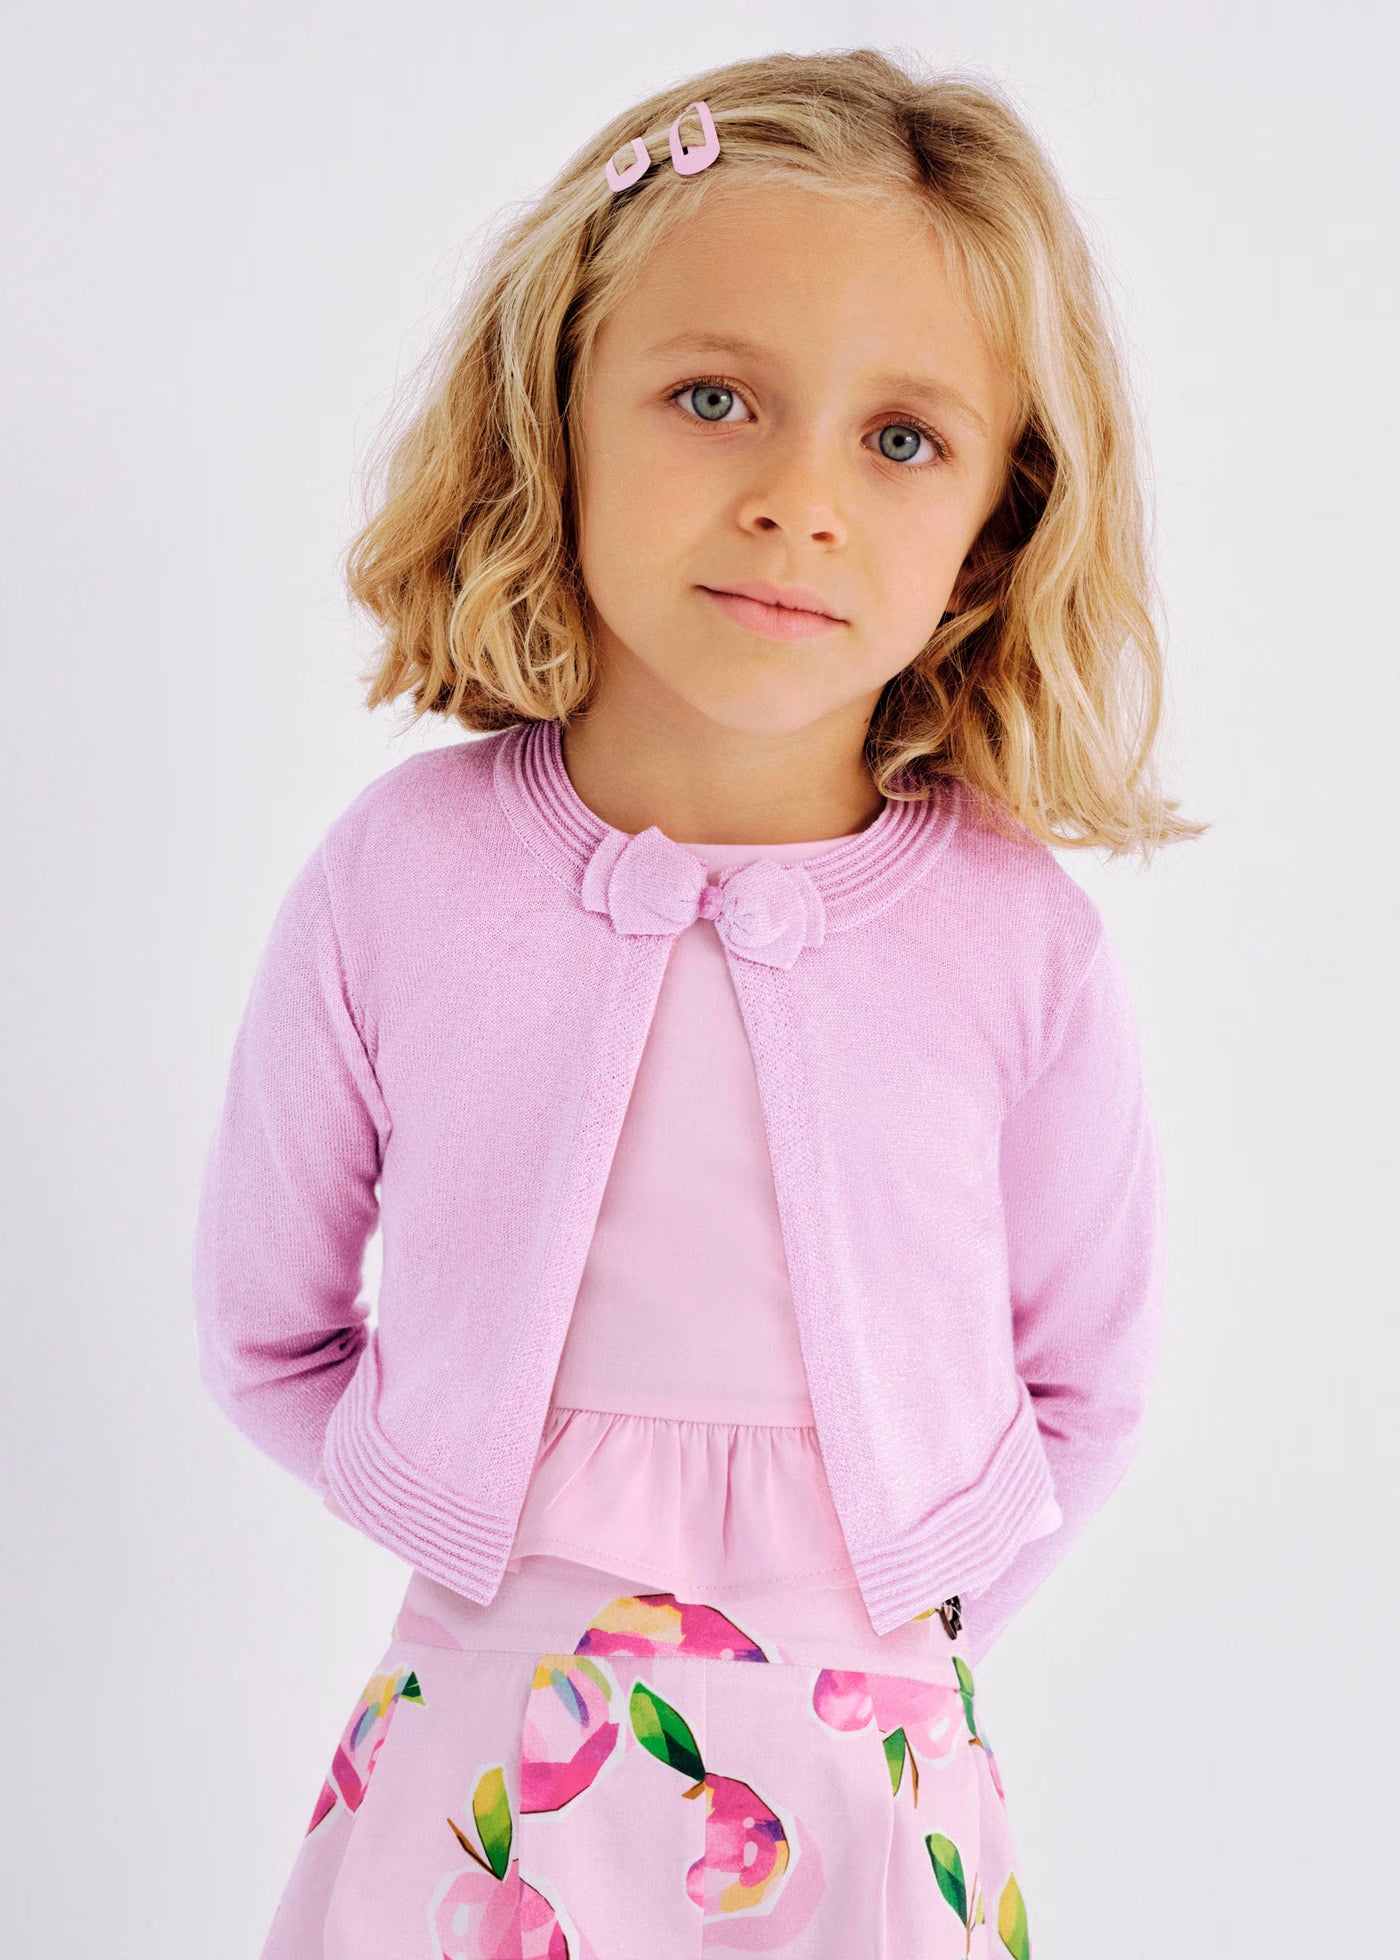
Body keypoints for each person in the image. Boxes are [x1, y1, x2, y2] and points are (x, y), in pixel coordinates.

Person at [192, 47, 1201, 1957]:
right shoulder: (400, 880)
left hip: (873, 1779)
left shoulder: (1018, 942)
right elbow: (266, 1330)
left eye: (901, 439)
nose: (796, 502)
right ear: (555, 414)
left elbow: (1086, 1388)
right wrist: (467, 1534)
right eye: (715, 398)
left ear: (993, 533)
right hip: (485, 1756)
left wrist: (898, 1632)